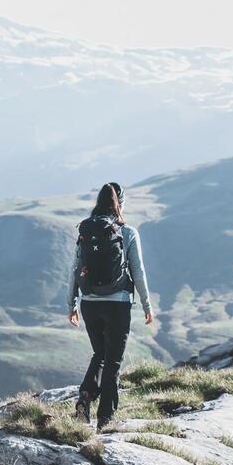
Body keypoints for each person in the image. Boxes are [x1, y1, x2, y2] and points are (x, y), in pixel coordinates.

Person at [65, 182, 152, 430]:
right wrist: (147, 304)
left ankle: (85, 395)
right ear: (120, 204)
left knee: (100, 354)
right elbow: (138, 270)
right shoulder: (127, 232)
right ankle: (106, 419)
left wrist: (70, 304)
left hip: (89, 303)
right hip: (117, 304)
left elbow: (75, 269)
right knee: (113, 360)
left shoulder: (86, 230)